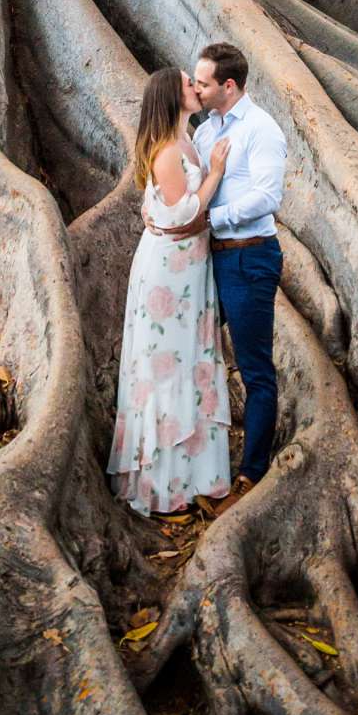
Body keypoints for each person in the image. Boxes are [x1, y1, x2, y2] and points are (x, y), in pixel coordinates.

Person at [108, 65, 233, 518]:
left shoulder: (188, 139)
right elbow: (180, 213)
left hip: (190, 267)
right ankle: (164, 484)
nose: (196, 88)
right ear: (171, 96)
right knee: (168, 365)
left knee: (190, 361)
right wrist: (215, 173)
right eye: (188, 84)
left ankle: (196, 474)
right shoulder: (166, 151)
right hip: (169, 274)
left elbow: (161, 207)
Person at [190, 42, 287, 501]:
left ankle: (252, 471)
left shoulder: (260, 129)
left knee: (254, 368)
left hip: (250, 257)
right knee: (191, 351)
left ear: (228, 85)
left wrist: (214, 219)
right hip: (210, 260)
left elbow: (267, 198)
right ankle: (193, 457)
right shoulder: (205, 133)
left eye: (204, 82)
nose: (196, 88)